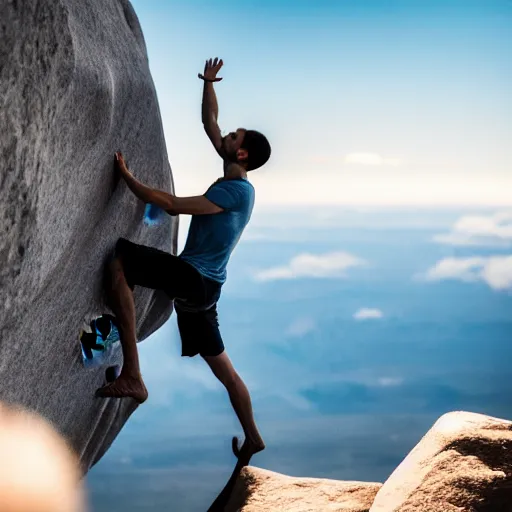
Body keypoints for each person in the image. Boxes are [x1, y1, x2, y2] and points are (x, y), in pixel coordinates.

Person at [95, 58, 271, 466]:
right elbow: (211, 122)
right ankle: (254, 438)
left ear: (241, 152)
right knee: (226, 371)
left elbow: (173, 205)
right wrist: (209, 83)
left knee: (120, 260)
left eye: (233, 136)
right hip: (205, 292)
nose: (224, 135)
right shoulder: (235, 176)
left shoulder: (235, 192)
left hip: (193, 279)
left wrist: (128, 179)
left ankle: (132, 376)